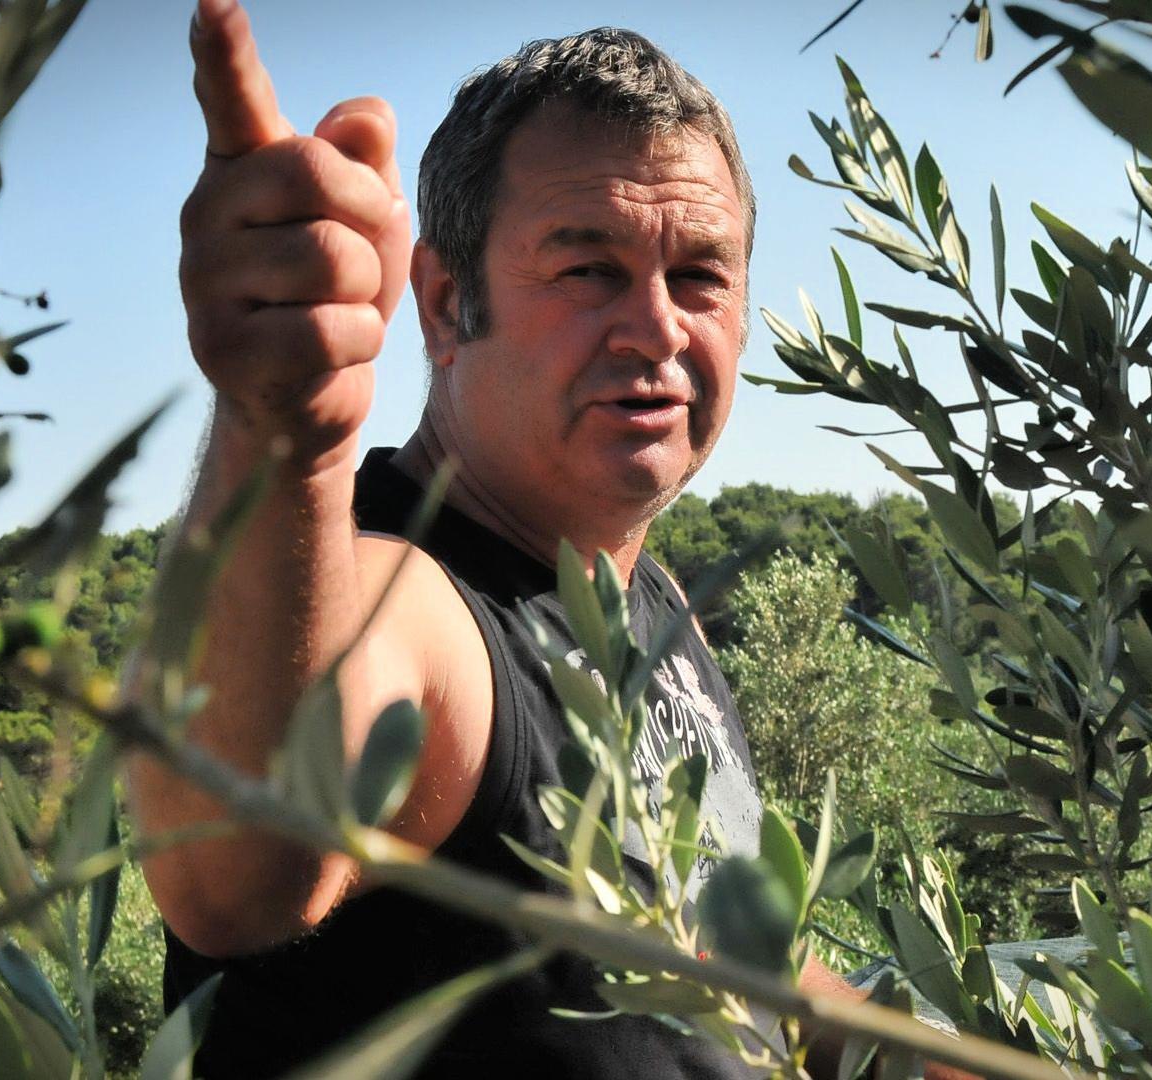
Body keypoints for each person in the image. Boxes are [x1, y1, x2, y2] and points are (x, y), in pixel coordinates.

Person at [128, 2, 972, 1076]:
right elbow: (236, 871)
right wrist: (280, 435)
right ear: (445, 304)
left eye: (700, 274)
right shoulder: (417, 606)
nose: (658, 327)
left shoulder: (649, 604)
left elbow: (746, 974)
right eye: (588, 270)